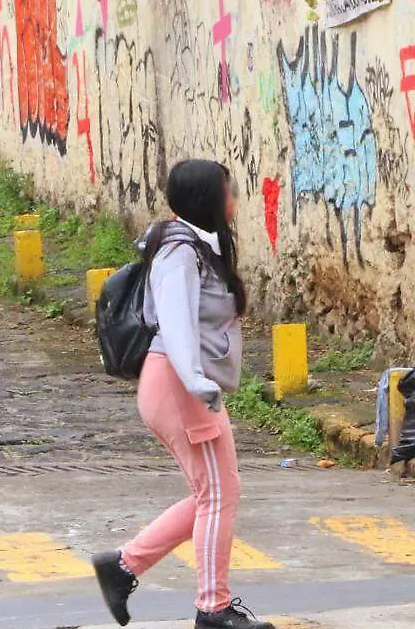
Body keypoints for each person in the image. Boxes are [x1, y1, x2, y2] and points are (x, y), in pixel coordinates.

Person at [92, 160, 273, 629]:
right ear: (207, 199)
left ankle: (124, 566)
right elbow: (174, 322)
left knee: (216, 492)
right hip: (176, 383)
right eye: (228, 192)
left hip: (181, 383)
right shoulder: (179, 252)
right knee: (218, 495)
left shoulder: (198, 244)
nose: (235, 201)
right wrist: (195, 381)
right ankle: (212, 608)